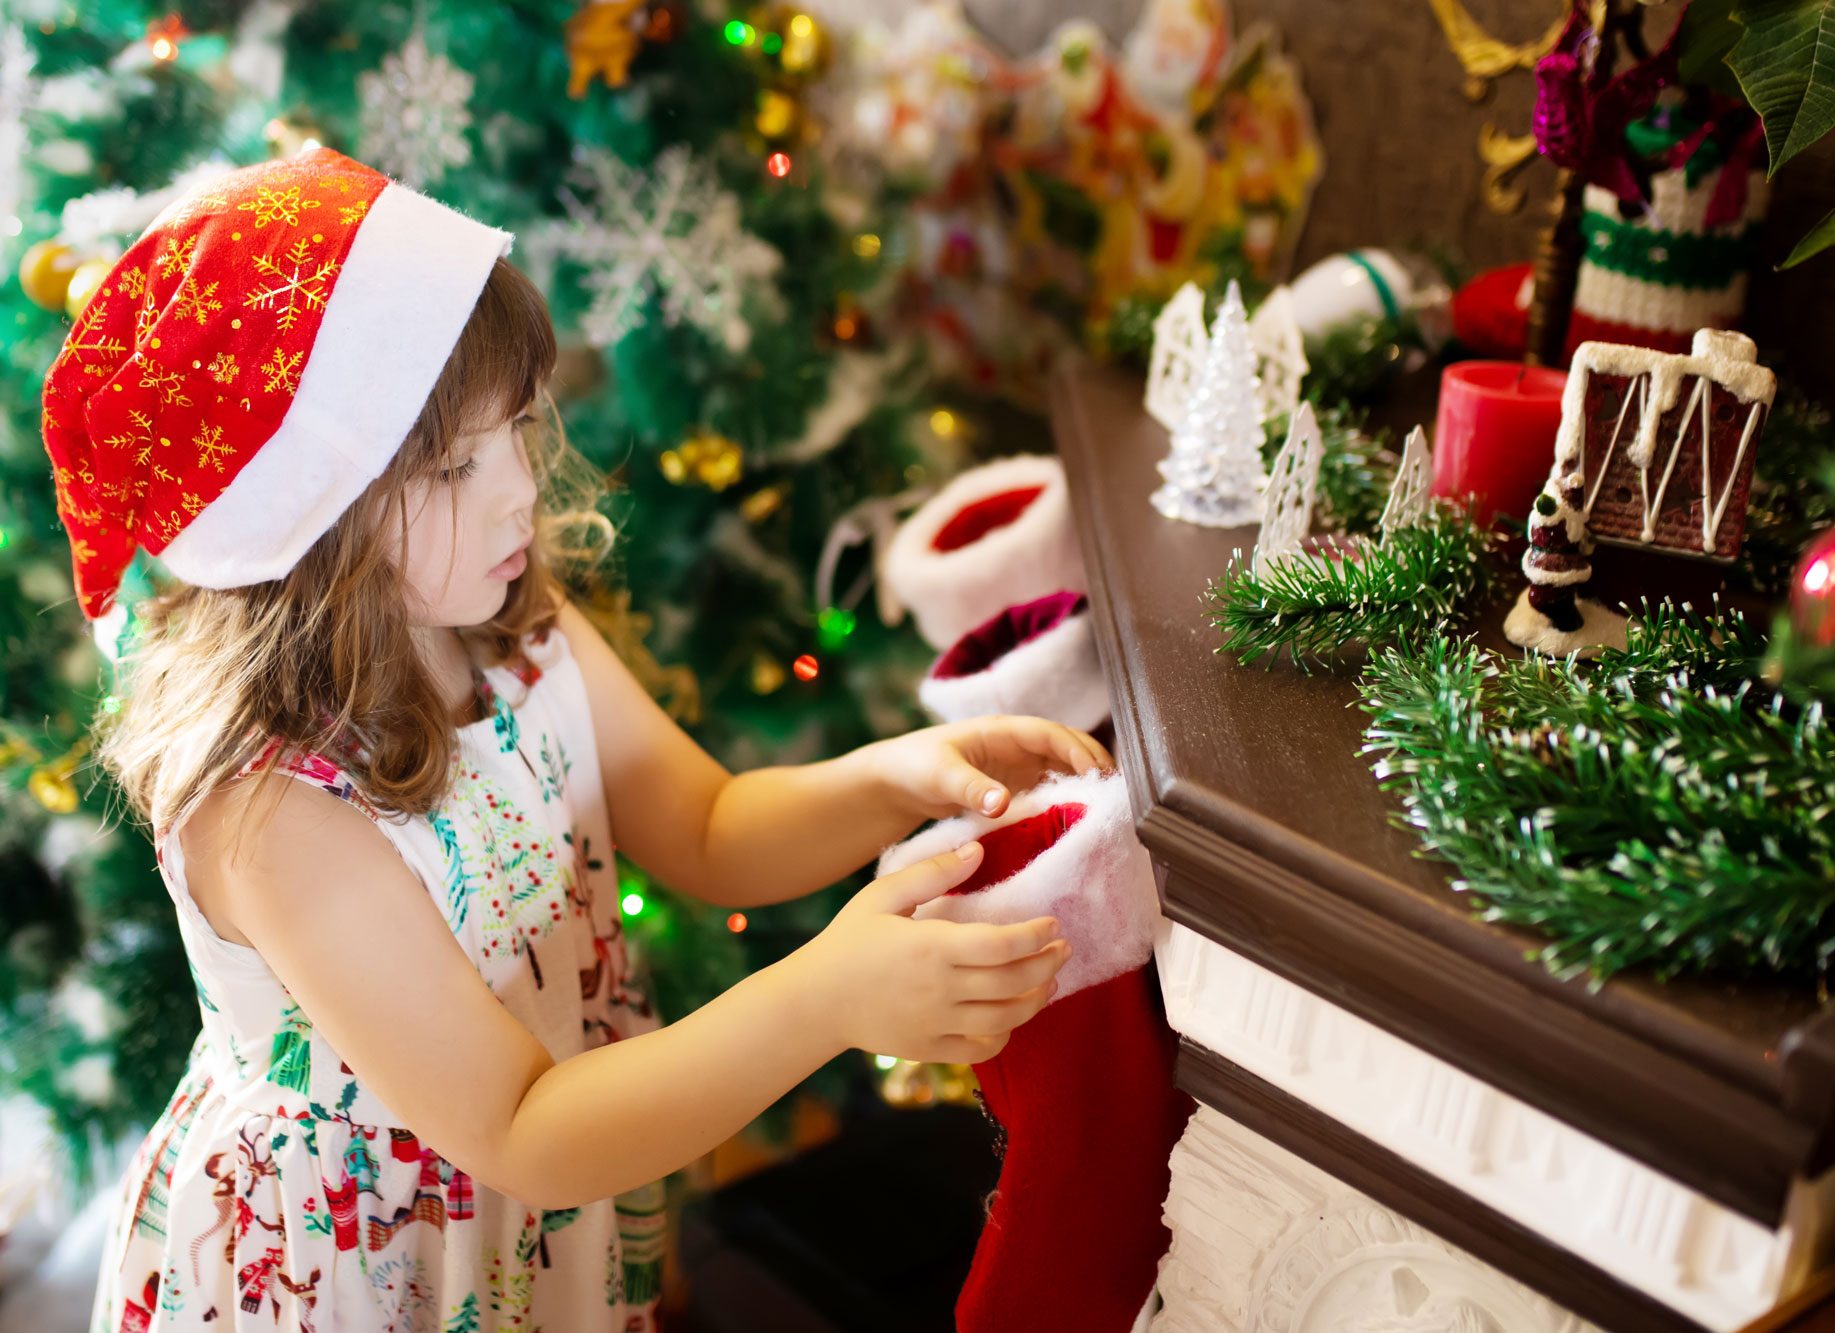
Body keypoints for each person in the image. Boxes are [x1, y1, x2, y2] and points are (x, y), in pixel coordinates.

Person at [43, 148, 1108, 1331]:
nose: (519, 494)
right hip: (376, 1262)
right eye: (454, 465)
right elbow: (521, 1130)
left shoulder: (508, 628)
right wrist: (825, 999)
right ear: (299, 526)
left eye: (513, 433)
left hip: (549, 1193)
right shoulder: (274, 812)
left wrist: (888, 780)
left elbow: (704, 825)